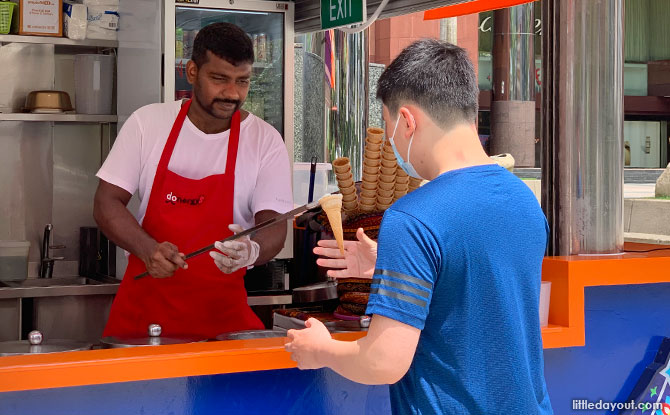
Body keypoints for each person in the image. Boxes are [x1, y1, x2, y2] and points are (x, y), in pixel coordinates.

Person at [285, 39, 553, 414]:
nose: (391, 139)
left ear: (408, 121)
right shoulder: (524, 200)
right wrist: (390, 265)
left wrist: (320, 350)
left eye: (388, 125)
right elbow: (479, 290)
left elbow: (383, 362)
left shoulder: (412, 218)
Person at [94, 22, 292, 339]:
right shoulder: (148, 123)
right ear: (191, 71)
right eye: (219, 79)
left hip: (223, 328)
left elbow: (274, 224)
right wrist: (147, 249)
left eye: (242, 82)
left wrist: (251, 250)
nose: (232, 93)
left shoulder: (264, 141)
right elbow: (106, 202)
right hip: (143, 325)